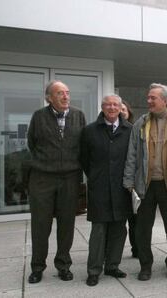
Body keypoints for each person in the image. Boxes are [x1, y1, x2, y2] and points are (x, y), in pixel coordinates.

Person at [123, 83, 167, 281]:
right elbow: (132, 153)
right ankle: (145, 265)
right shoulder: (140, 123)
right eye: (148, 97)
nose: (148, 101)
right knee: (143, 228)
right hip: (145, 184)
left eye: (153, 98)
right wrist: (129, 180)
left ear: (165, 101)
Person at [27, 80, 86, 284]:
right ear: (49, 98)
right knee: (40, 225)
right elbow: (32, 143)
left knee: (66, 224)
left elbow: (83, 145)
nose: (65, 96)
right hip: (42, 177)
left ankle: (63, 265)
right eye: (59, 93)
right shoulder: (38, 116)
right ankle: (37, 267)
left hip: (70, 178)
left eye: (67, 93)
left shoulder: (78, 115)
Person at [80, 95, 132, 286]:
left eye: (115, 105)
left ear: (121, 108)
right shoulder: (90, 130)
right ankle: (94, 270)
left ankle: (112, 265)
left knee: (119, 229)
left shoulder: (130, 130)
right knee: (99, 231)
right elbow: (84, 159)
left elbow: (132, 158)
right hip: (99, 188)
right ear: (102, 107)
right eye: (108, 104)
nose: (112, 107)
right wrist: (95, 176)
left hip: (121, 189)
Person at [120, 99, 138, 258]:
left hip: (132, 181)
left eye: (123, 109)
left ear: (128, 112)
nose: (120, 111)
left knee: (134, 219)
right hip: (115, 180)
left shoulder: (135, 130)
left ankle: (136, 248)